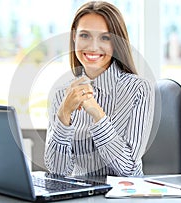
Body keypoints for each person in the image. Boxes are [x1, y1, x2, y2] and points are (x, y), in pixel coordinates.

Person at [44, 1, 154, 177]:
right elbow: (58, 171)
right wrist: (64, 114)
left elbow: (128, 169)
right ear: (74, 37)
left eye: (105, 38)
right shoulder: (61, 95)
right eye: (85, 35)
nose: (93, 47)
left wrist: (97, 114)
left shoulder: (138, 89)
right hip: (79, 196)